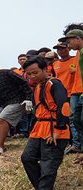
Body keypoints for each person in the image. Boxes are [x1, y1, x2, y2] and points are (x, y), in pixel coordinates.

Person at [21, 55, 70, 189]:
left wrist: (58, 131)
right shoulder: (37, 87)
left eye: (35, 72)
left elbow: (64, 107)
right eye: (29, 74)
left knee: (48, 166)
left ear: (45, 69)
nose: (32, 76)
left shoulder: (54, 84)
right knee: (27, 158)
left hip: (54, 128)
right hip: (39, 128)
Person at [59, 29, 83, 164]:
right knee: (75, 119)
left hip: (80, 90)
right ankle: (79, 147)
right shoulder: (78, 53)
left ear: (78, 38)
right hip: (75, 91)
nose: (68, 45)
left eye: (69, 42)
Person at [52, 42, 81, 154]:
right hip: (60, 95)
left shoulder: (75, 60)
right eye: (58, 49)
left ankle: (76, 143)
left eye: (63, 49)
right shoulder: (55, 64)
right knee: (65, 119)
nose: (60, 51)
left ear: (68, 48)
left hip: (73, 93)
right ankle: (69, 142)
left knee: (74, 119)